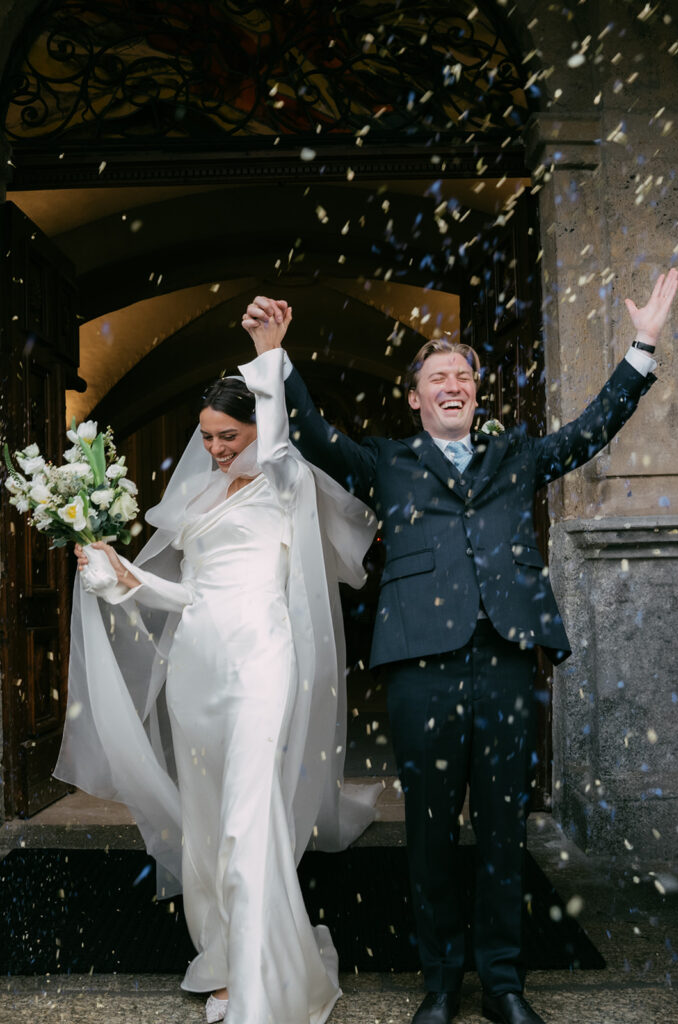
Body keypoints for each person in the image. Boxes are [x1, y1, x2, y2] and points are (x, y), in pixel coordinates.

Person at [241, 267, 678, 1024]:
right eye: (436, 376)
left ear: (474, 395)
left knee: (503, 832)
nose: (452, 383)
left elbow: (588, 432)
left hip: (507, 664)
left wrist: (642, 345)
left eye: (462, 376)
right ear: (414, 398)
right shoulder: (386, 463)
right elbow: (312, 437)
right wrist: (276, 355)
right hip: (420, 672)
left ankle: (503, 985)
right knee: (429, 835)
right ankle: (440, 985)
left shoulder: (516, 455)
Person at [55, 346, 379, 1024]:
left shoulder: (287, 483)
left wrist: (270, 357)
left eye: (228, 436)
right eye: (206, 437)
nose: (215, 448)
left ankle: (262, 987)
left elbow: (287, 443)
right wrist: (124, 575)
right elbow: (192, 594)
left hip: (262, 660)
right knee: (207, 824)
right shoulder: (202, 495)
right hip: (196, 668)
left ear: (261, 427)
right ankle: (230, 957)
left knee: (245, 818)